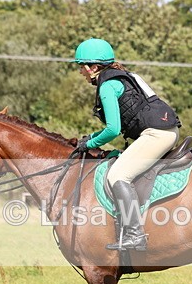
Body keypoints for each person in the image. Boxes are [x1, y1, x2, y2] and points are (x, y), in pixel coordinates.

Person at [72, 38, 182, 251]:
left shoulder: (107, 86)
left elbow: (113, 129)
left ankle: (134, 235)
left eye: (81, 67)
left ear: (94, 67)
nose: (80, 72)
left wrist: (90, 143)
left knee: (118, 175)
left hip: (156, 134)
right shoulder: (127, 76)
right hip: (166, 130)